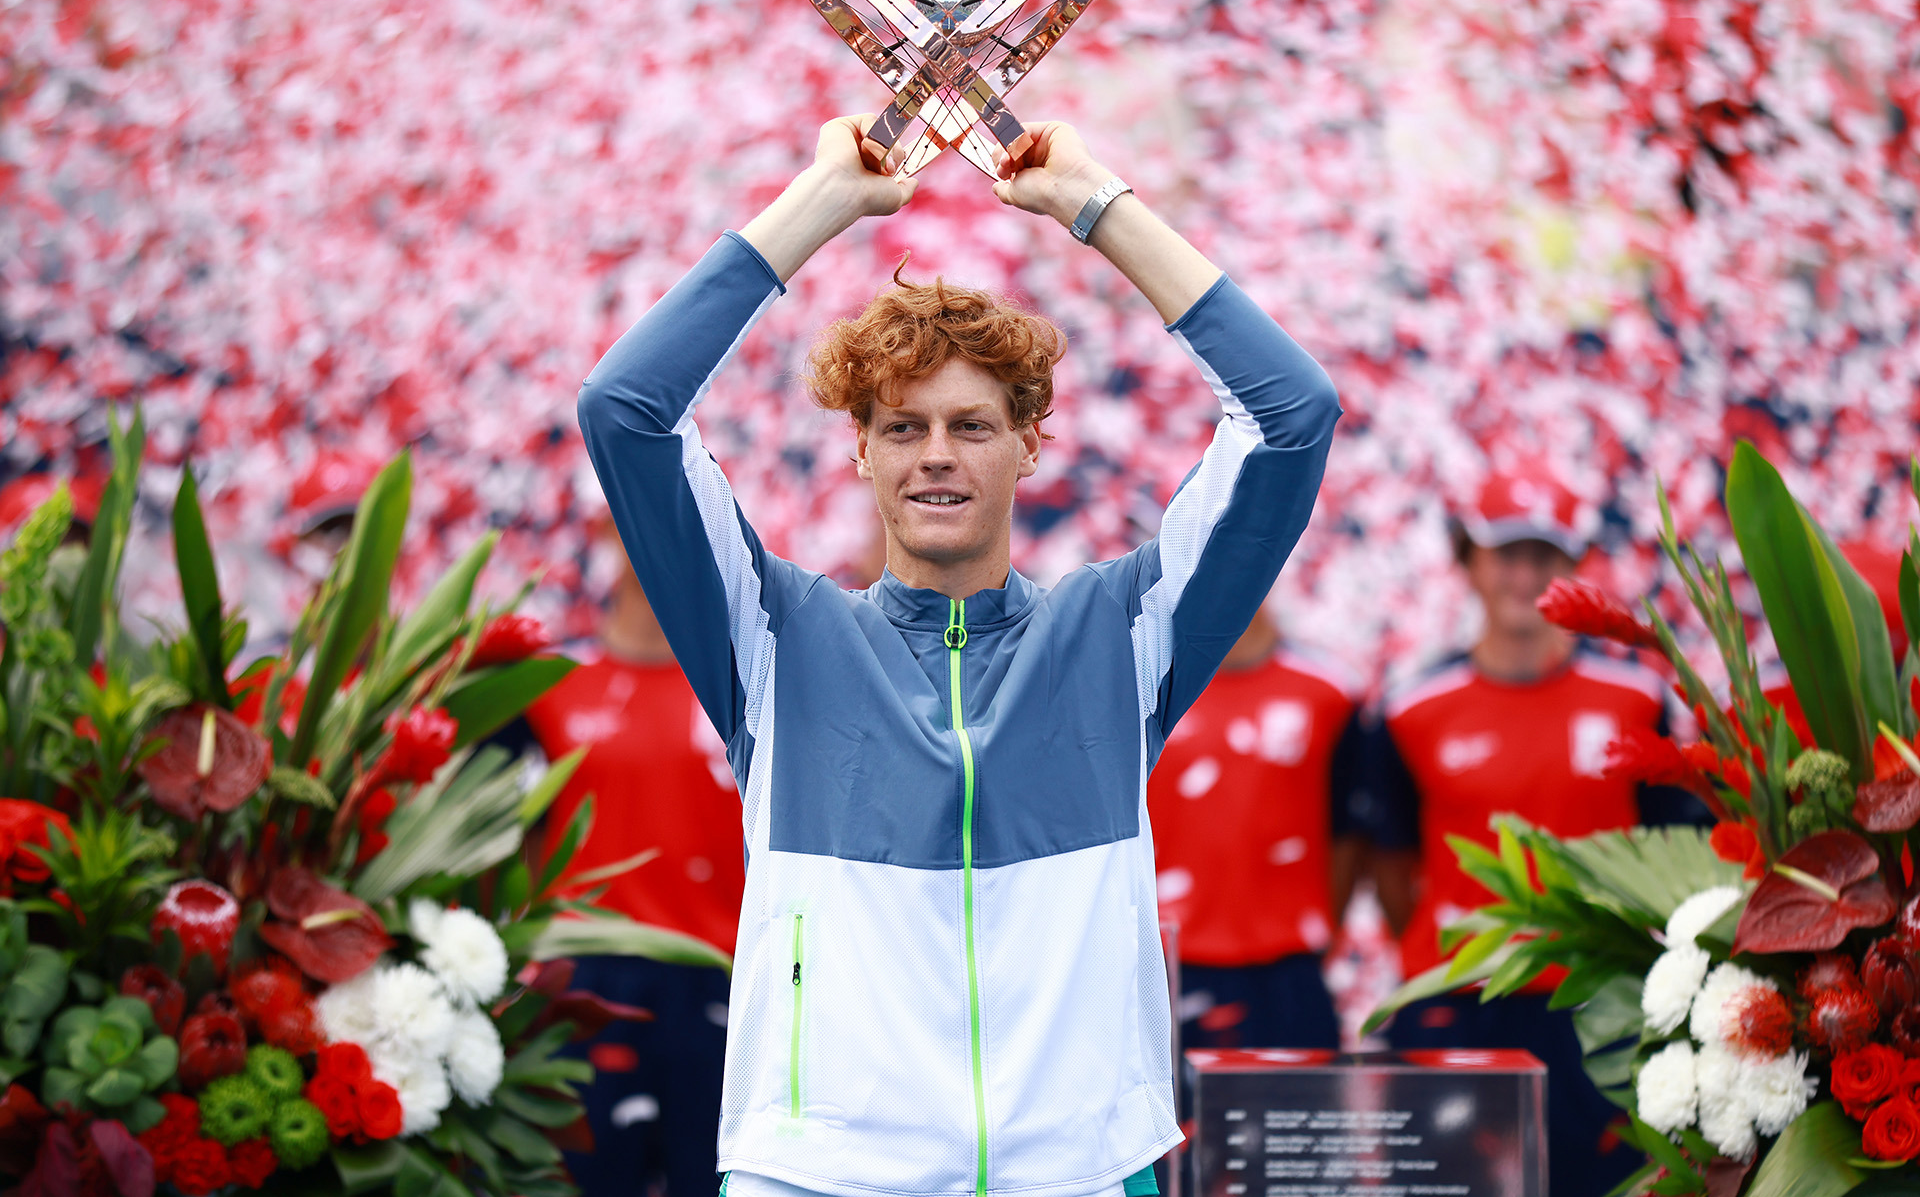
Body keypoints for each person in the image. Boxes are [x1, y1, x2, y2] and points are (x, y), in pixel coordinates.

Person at [577, 114, 1340, 1197]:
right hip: (818, 1176)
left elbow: (1293, 417)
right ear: (859, 451)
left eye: (972, 426)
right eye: (901, 427)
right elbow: (625, 412)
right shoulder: (775, 635)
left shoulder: (1121, 633)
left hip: (1078, 1172)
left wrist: (1094, 202)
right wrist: (823, 201)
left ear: (1032, 444)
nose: (936, 455)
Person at [1353, 467, 1680, 1197]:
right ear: (1467, 559)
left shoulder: (1639, 698)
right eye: (1506, 553)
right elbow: (1393, 867)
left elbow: (1678, 856)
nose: (1524, 575)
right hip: (1463, 1007)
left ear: (1572, 567)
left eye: (1544, 556)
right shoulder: (1410, 708)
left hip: (1603, 1011)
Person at [523, 518, 742, 1197]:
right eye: (627, 530)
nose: (651, 546)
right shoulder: (548, 691)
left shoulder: (744, 691)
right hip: (590, 982)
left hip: (718, 978)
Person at [1148, 602, 1363, 1063]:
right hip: (1166, 971)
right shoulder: (1137, 687)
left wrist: (1317, 930)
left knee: (1299, 1129)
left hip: (1289, 973)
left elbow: (1352, 838)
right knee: (1179, 1135)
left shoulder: (1331, 692)